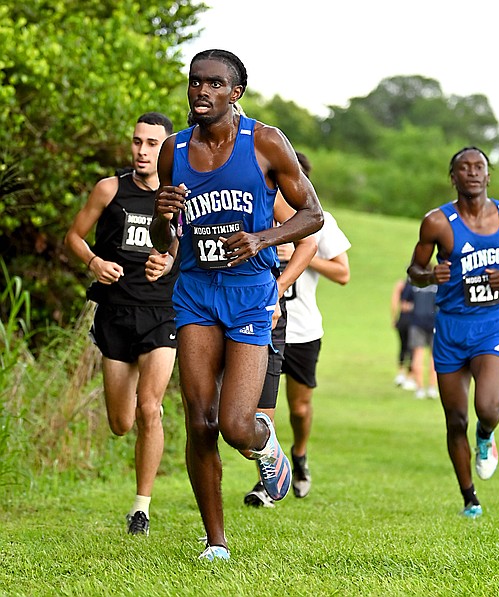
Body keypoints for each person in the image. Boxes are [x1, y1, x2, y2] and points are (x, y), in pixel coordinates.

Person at [149, 50, 324, 561]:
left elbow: (312, 214)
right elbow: (165, 238)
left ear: (235, 93)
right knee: (200, 422)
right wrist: (163, 216)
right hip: (196, 292)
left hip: (250, 294)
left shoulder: (264, 142)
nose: (201, 91)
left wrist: (263, 239)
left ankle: (266, 443)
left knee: (235, 425)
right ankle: (216, 541)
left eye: (214, 83)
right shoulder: (173, 150)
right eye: (195, 81)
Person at [407, 146, 499, 519]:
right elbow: (414, 271)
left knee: (487, 408)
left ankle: (486, 438)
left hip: (490, 326)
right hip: (450, 328)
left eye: (479, 166)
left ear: (487, 174)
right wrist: (431, 274)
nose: (472, 173)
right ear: (453, 177)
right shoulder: (436, 222)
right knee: (455, 420)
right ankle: (470, 498)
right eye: (463, 168)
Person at [64, 112, 177, 536]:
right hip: (115, 313)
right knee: (121, 422)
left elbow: (190, 243)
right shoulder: (110, 189)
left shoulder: (178, 196)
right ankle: (145, 411)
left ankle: (141, 509)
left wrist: (167, 262)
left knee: (149, 408)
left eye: (152, 144)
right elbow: (74, 236)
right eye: (137, 142)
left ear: (165, 149)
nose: (142, 151)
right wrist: (94, 261)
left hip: (162, 312)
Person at [245, 151, 351, 507]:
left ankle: (300, 454)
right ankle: (265, 483)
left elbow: (343, 273)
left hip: (303, 328)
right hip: (262, 324)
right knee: (261, 408)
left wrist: (299, 257)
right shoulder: (258, 210)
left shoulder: (322, 221)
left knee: (300, 408)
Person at [406, 282, 438, 399]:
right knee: (433, 357)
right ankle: (432, 388)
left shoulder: (414, 286)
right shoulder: (437, 286)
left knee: (417, 355)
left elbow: (405, 304)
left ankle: (419, 389)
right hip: (434, 322)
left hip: (417, 323)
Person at [390, 276, 414, 388]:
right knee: (412, 348)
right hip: (415, 320)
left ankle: (401, 373)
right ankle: (409, 375)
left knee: (403, 346)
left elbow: (394, 302)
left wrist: (394, 318)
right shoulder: (420, 286)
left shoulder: (401, 284)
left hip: (403, 319)